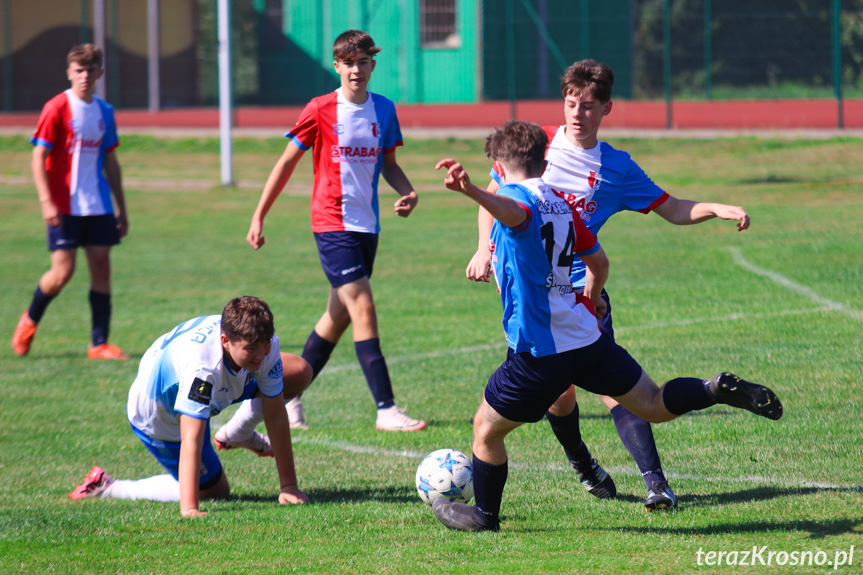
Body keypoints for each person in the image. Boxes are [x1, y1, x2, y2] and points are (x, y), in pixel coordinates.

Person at [431, 120, 781, 532]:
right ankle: (713, 388)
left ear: (498, 165)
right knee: (652, 403)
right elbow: (599, 263)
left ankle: (484, 517)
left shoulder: (511, 197)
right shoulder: (562, 203)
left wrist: (470, 190)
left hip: (539, 353)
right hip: (587, 338)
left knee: (485, 431)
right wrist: (593, 298)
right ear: (545, 159)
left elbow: (516, 213)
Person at [465, 60, 753, 510]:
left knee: (612, 392)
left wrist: (716, 207)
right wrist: (484, 248)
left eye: (589, 106)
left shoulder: (615, 168)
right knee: (565, 395)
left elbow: (673, 208)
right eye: (571, 103)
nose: (577, 113)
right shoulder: (536, 145)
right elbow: (496, 197)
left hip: (577, 294)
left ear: (607, 109)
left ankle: (655, 482)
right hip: (530, 293)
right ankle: (583, 462)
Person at [215, 30, 425, 442]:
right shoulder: (320, 109)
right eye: (348, 63)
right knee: (362, 305)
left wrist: (408, 192)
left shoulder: (384, 109)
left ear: (372, 66)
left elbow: (390, 164)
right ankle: (386, 408)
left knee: (338, 316)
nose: (356, 70)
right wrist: (259, 215)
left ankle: (288, 391)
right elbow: (285, 163)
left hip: (368, 226)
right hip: (331, 224)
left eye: (363, 62)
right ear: (337, 66)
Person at [68, 296, 313, 517]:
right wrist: (190, 508)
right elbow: (192, 438)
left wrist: (289, 487)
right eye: (251, 349)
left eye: (265, 346)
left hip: (211, 382)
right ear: (225, 341)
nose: (261, 355)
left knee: (298, 372)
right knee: (215, 492)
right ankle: (108, 486)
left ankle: (238, 432)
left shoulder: (259, 340)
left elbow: (276, 416)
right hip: (161, 416)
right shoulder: (202, 369)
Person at [11, 44, 130, 360]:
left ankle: (99, 343)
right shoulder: (56, 107)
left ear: (99, 74)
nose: (84, 76)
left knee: (102, 268)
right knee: (62, 273)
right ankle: (29, 322)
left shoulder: (105, 111)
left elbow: (111, 162)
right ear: (69, 73)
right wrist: (46, 201)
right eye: (79, 70)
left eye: (90, 70)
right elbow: (39, 156)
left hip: (99, 205)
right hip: (64, 205)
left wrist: (122, 207)